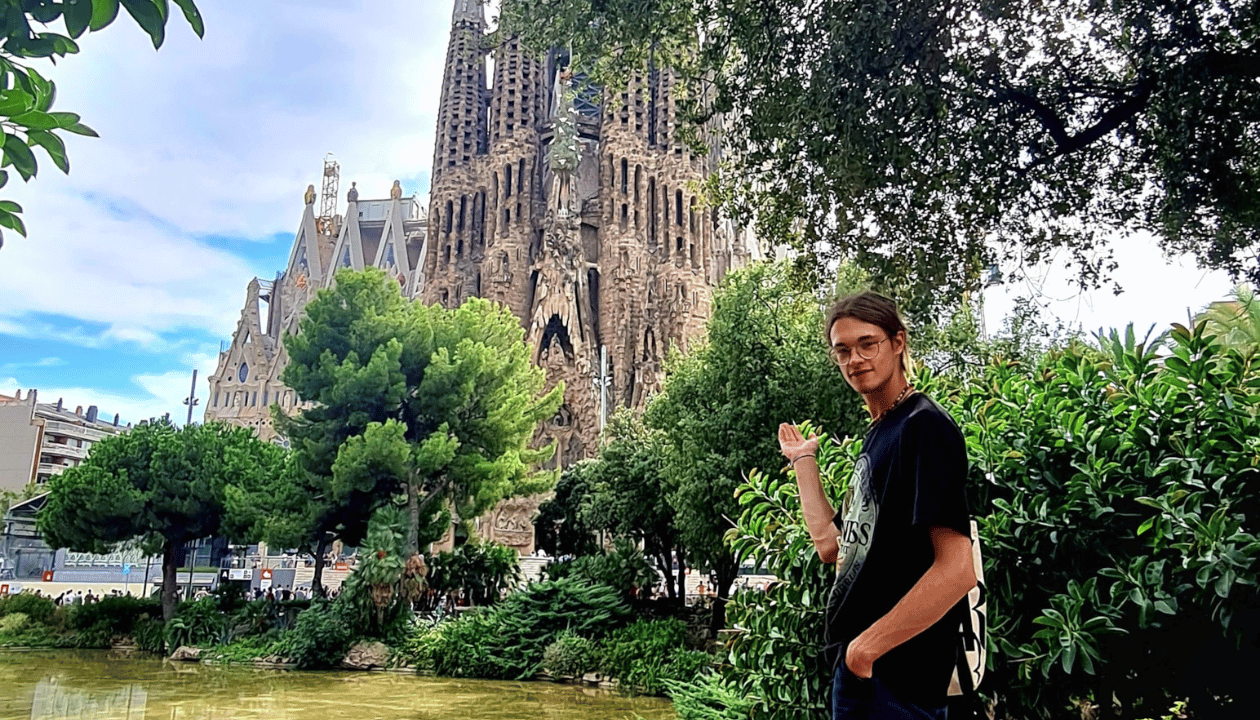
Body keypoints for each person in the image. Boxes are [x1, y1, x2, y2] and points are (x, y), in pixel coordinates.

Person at [778, 291, 976, 720]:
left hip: (895, 681)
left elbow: (957, 569)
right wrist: (804, 462)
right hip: (864, 678)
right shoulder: (882, 434)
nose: (856, 359)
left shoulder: (924, 427)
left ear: (898, 343)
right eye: (843, 350)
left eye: (868, 344)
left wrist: (866, 651)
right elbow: (835, 550)